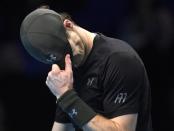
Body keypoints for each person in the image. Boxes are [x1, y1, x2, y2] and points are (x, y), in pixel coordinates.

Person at [20, 7, 153, 131]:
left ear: (69, 25)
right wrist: (63, 96)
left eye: (68, 51)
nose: (69, 61)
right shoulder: (66, 71)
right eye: (60, 59)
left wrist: (67, 97)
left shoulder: (119, 60)